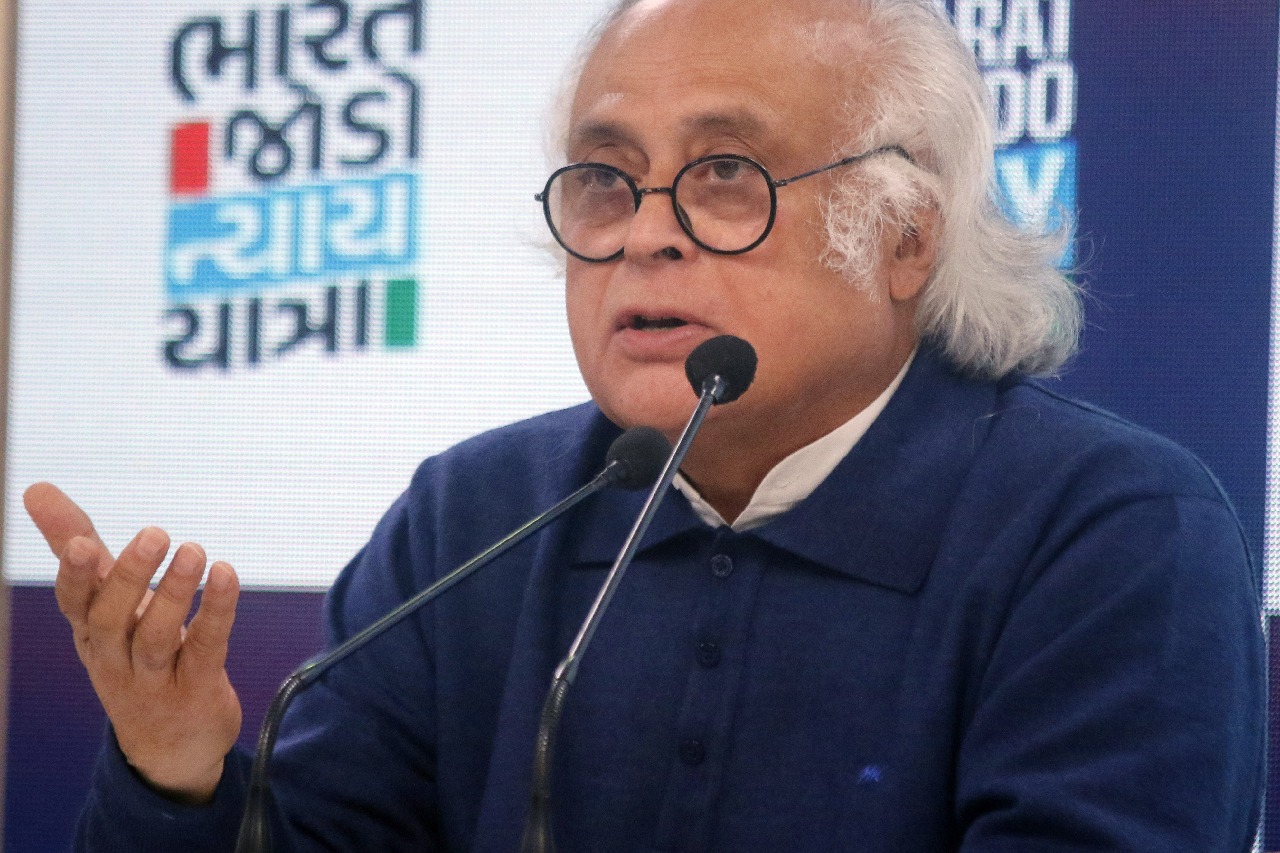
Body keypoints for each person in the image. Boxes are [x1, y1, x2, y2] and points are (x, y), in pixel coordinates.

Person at [26, 0, 1265, 849]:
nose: (644, 233)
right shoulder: (475, 516)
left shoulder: (1110, 535)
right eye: (605, 180)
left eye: (726, 173)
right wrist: (176, 774)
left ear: (902, 238)